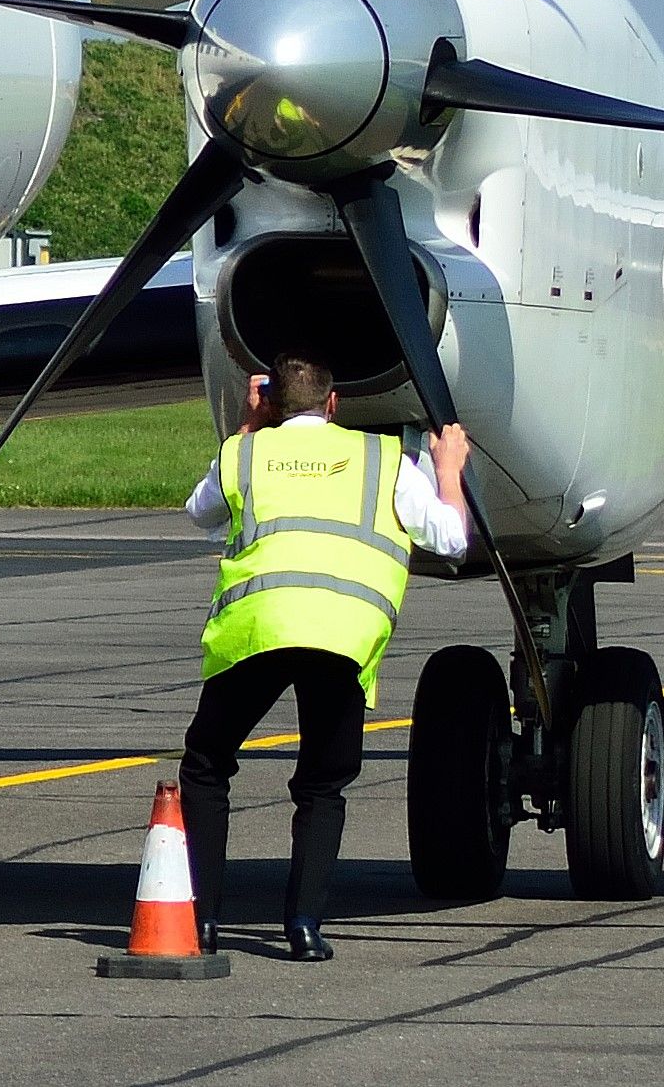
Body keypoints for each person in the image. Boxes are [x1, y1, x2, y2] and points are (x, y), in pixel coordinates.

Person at [178, 351, 472, 961]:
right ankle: (305, 926)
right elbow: (451, 538)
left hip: (259, 628)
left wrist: (247, 428)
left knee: (206, 764)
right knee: (322, 783)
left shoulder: (246, 453)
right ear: (334, 404)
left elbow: (200, 513)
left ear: (269, 400)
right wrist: (448, 470)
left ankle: (203, 922)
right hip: (342, 636)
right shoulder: (382, 459)